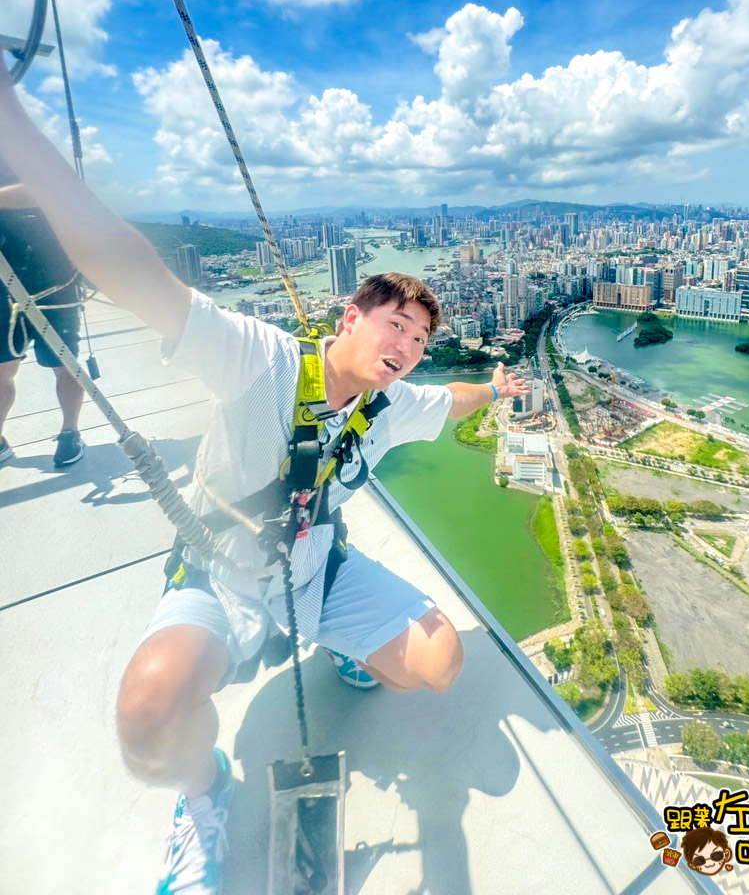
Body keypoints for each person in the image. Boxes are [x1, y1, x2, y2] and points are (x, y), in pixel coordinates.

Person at [0, 52, 529, 895]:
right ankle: (203, 794)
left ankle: (346, 649)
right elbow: (135, 271)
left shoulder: (394, 407)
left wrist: (494, 388)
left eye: (421, 339)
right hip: (220, 572)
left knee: (438, 667)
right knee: (146, 716)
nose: (408, 347)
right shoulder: (260, 360)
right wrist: (15, 127)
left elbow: (453, 400)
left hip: (318, 573)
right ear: (349, 316)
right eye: (396, 324)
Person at [0, 161, 86, 467]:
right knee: (2, 368)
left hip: (54, 280)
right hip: (6, 284)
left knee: (65, 364)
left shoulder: (21, 152)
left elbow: (45, 190)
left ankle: (70, 430)